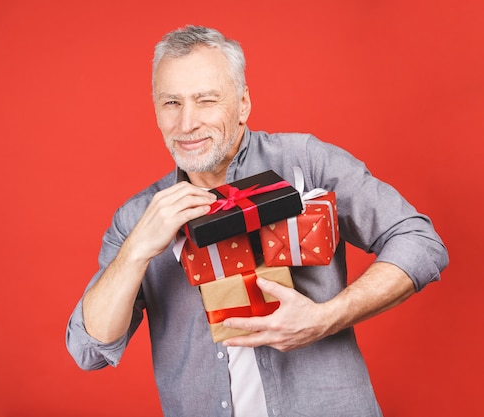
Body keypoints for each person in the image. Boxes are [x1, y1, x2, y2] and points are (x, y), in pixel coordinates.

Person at [66, 25, 448, 417]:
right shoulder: (138, 216)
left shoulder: (306, 162)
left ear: (243, 103)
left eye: (206, 100)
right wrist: (136, 251)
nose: (187, 123)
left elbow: (419, 241)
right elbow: (89, 349)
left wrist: (325, 318)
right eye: (171, 103)